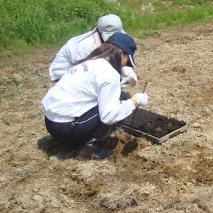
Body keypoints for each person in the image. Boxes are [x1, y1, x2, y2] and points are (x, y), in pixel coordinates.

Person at [42, 32, 149, 160]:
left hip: (50, 123)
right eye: (127, 60)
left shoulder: (91, 61)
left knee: (117, 98)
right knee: (122, 100)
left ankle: (77, 139)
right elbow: (108, 116)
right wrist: (134, 101)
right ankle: (88, 149)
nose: (125, 65)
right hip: (67, 130)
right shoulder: (109, 73)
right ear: (121, 53)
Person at [49, 14, 138, 86]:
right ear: (100, 32)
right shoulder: (85, 46)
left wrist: (129, 73)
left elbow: (118, 56)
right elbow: (86, 73)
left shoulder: (106, 41)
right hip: (64, 75)